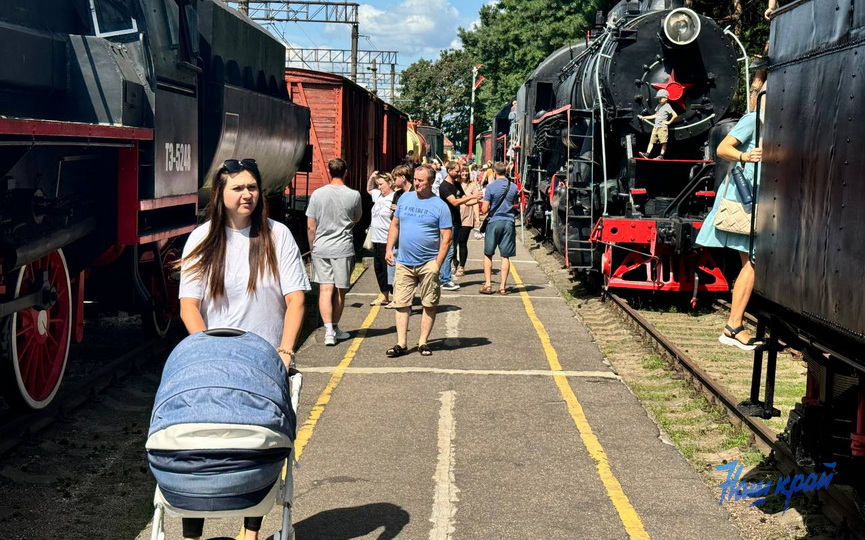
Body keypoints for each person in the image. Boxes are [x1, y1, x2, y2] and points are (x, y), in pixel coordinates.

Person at [178, 158, 310, 540]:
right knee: (203, 451)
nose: (247, 194)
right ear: (220, 194)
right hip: (215, 362)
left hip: (265, 363)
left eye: (252, 187)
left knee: (255, 449)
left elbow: (296, 298)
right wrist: (204, 352)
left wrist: (285, 352)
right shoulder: (202, 239)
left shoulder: (277, 235)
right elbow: (189, 305)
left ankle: (251, 533)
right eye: (238, 187)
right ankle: (192, 534)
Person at [695, 82, 766, 351]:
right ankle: (733, 326)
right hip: (743, 203)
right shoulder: (753, 119)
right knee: (754, 259)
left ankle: (734, 325)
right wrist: (746, 156)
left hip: (757, 202)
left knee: (753, 260)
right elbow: (723, 149)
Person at [384, 165, 452, 357]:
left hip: (428, 262)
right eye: (415, 179)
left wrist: (437, 264)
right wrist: (389, 249)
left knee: (429, 303)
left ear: (430, 182)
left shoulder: (440, 206)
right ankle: (401, 343)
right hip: (404, 261)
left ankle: (423, 342)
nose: (416, 183)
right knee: (401, 302)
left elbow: (446, 237)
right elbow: (395, 225)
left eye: (420, 180)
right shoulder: (404, 198)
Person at [306, 158, 362, 346]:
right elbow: (357, 217)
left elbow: (311, 226)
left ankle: (329, 330)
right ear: (345, 172)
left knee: (325, 288)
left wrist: (312, 247)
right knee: (340, 290)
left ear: (329, 172)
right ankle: (335, 327)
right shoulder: (353, 195)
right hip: (343, 247)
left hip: (322, 247)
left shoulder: (317, 194)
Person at [438, 160, 482, 290]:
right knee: (449, 250)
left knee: (451, 250)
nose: (459, 173)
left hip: (457, 222)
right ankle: (445, 279)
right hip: (448, 222)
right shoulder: (444, 187)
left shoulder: (456, 184)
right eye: (456, 171)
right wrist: (472, 196)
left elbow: (465, 201)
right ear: (449, 170)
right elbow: (455, 202)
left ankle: (444, 277)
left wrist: (477, 199)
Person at [479, 161, 518, 295]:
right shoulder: (513, 187)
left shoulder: (490, 187)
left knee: (488, 253)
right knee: (505, 256)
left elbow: (484, 210)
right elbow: (514, 203)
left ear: (494, 172)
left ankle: (488, 284)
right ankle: (502, 286)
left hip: (494, 221)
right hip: (509, 222)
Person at [366, 171, 396, 306]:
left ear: (389, 183)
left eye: (381, 184)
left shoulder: (394, 197)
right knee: (378, 267)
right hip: (376, 238)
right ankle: (384, 295)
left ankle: (395, 295)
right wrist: (372, 177)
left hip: (387, 238)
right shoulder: (379, 195)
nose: (379, 187)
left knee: (389, 268)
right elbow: (368, 189)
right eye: (378, 185)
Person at [638, 89, 678, 160]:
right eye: (658, 99)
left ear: (666, 98)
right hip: (656, 127)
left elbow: (675, 115)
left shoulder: (667, 106)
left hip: (662, 127)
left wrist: (668, 122)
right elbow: (655, 115)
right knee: (651, 141)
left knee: (663, 142)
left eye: (660, 98)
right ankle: (647, 154)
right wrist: (645, 117)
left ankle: (661, 156)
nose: (659, 100)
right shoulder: (659, 106)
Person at [455, 168, 481, 277]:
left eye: (466, 171)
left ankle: (461, 266)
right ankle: (454, 260)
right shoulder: (455, 185)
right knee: (452, 243)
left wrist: (477, 218)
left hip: (467, 217)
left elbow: (475, 203)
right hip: (455, 216)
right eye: (462, 171)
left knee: (462, 242)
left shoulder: (473, 185)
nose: (464, 173)